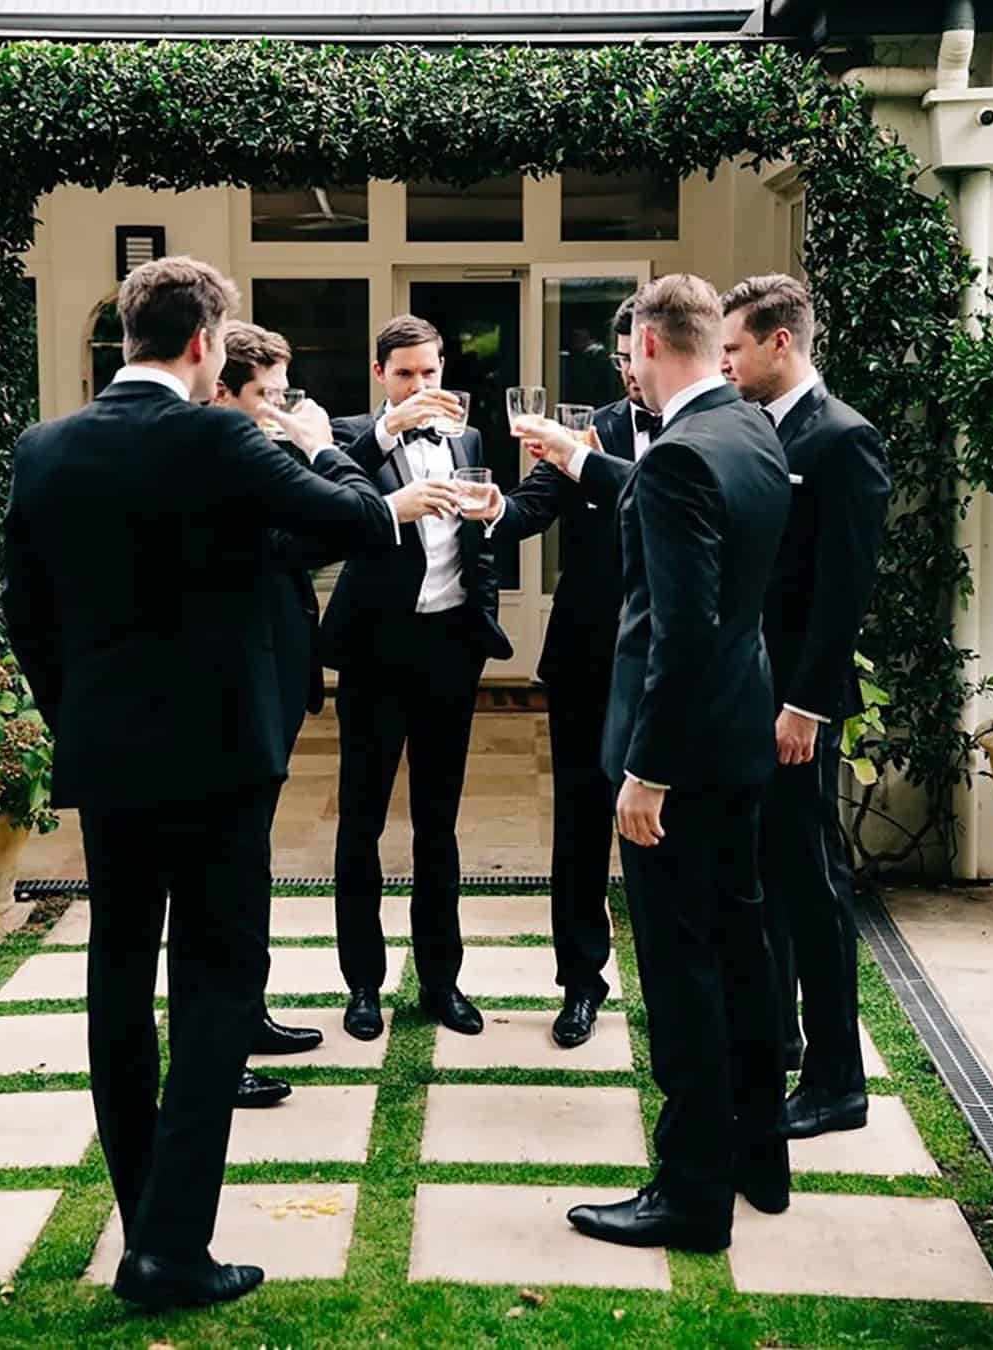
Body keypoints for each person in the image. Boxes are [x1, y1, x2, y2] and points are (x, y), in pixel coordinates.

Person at [3, 257, 454, 1309]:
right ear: (206, 343)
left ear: (129, 335)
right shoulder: (216, 434)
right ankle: (169, 1248)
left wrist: (79, 716)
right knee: (216, 980)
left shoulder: (46, 447)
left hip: (111, 754)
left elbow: (29, 611)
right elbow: (349, 518)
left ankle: (145, 1220)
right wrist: (320, 444)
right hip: (216, 756)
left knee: (118, 974)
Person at [514, 275, 791, 1253]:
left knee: (683, 977)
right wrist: (584, 461)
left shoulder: (679, 455)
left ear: (651, 347)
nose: (620, 367)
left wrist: (648, 772)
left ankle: (690, 1191)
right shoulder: (750, 429)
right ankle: (760, 1151)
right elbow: (687, 524)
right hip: (740, 739)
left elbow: (680, 631)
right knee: (742, 951)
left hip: (684, 758)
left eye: (626, 353)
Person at [465, 295, 661, 1047]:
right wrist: (490, 508)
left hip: (671, 664)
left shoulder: (705, 430)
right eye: (617, 361)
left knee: (667, 827)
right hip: (586, 659)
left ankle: (675, 982)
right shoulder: (596, 426)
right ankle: (580, 982)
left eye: (633, 359)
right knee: (578, 826)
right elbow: (531, 508)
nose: (627, 374)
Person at [721, 274, 891, 1139]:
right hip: (750, 696)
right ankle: (781, 1042)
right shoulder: (755, 430)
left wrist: (807, 708)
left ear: (780, 342)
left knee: (815, 885)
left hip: (796, 710)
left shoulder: (844, 440)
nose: (727, 362)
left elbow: (841, 592)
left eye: (736, 348)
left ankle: (838, 1082)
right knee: (770, 876)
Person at [323, 314, 513, 1042]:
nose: (421, 385)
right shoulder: (347, 438)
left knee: (439, 825)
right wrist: (389, 428)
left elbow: (478, 539)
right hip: (375, 652)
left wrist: (483, 617)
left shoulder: (466, 438)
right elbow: (333, 502)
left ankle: (442, 980)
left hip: (448, 653)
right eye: (405, 373)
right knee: (362, 824)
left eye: (430, 372)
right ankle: (363, 984)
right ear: (381, 376)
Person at [211, 320, 333, 1108]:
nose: (277, 410)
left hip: (278, 671)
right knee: (224, 873)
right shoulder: (212, 460)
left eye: (284, 394)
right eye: (265, 395)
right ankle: (221, 1041)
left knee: (250, 861)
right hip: (229, 687)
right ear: (220, 388)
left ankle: (247, 1013)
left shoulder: (258, 450)